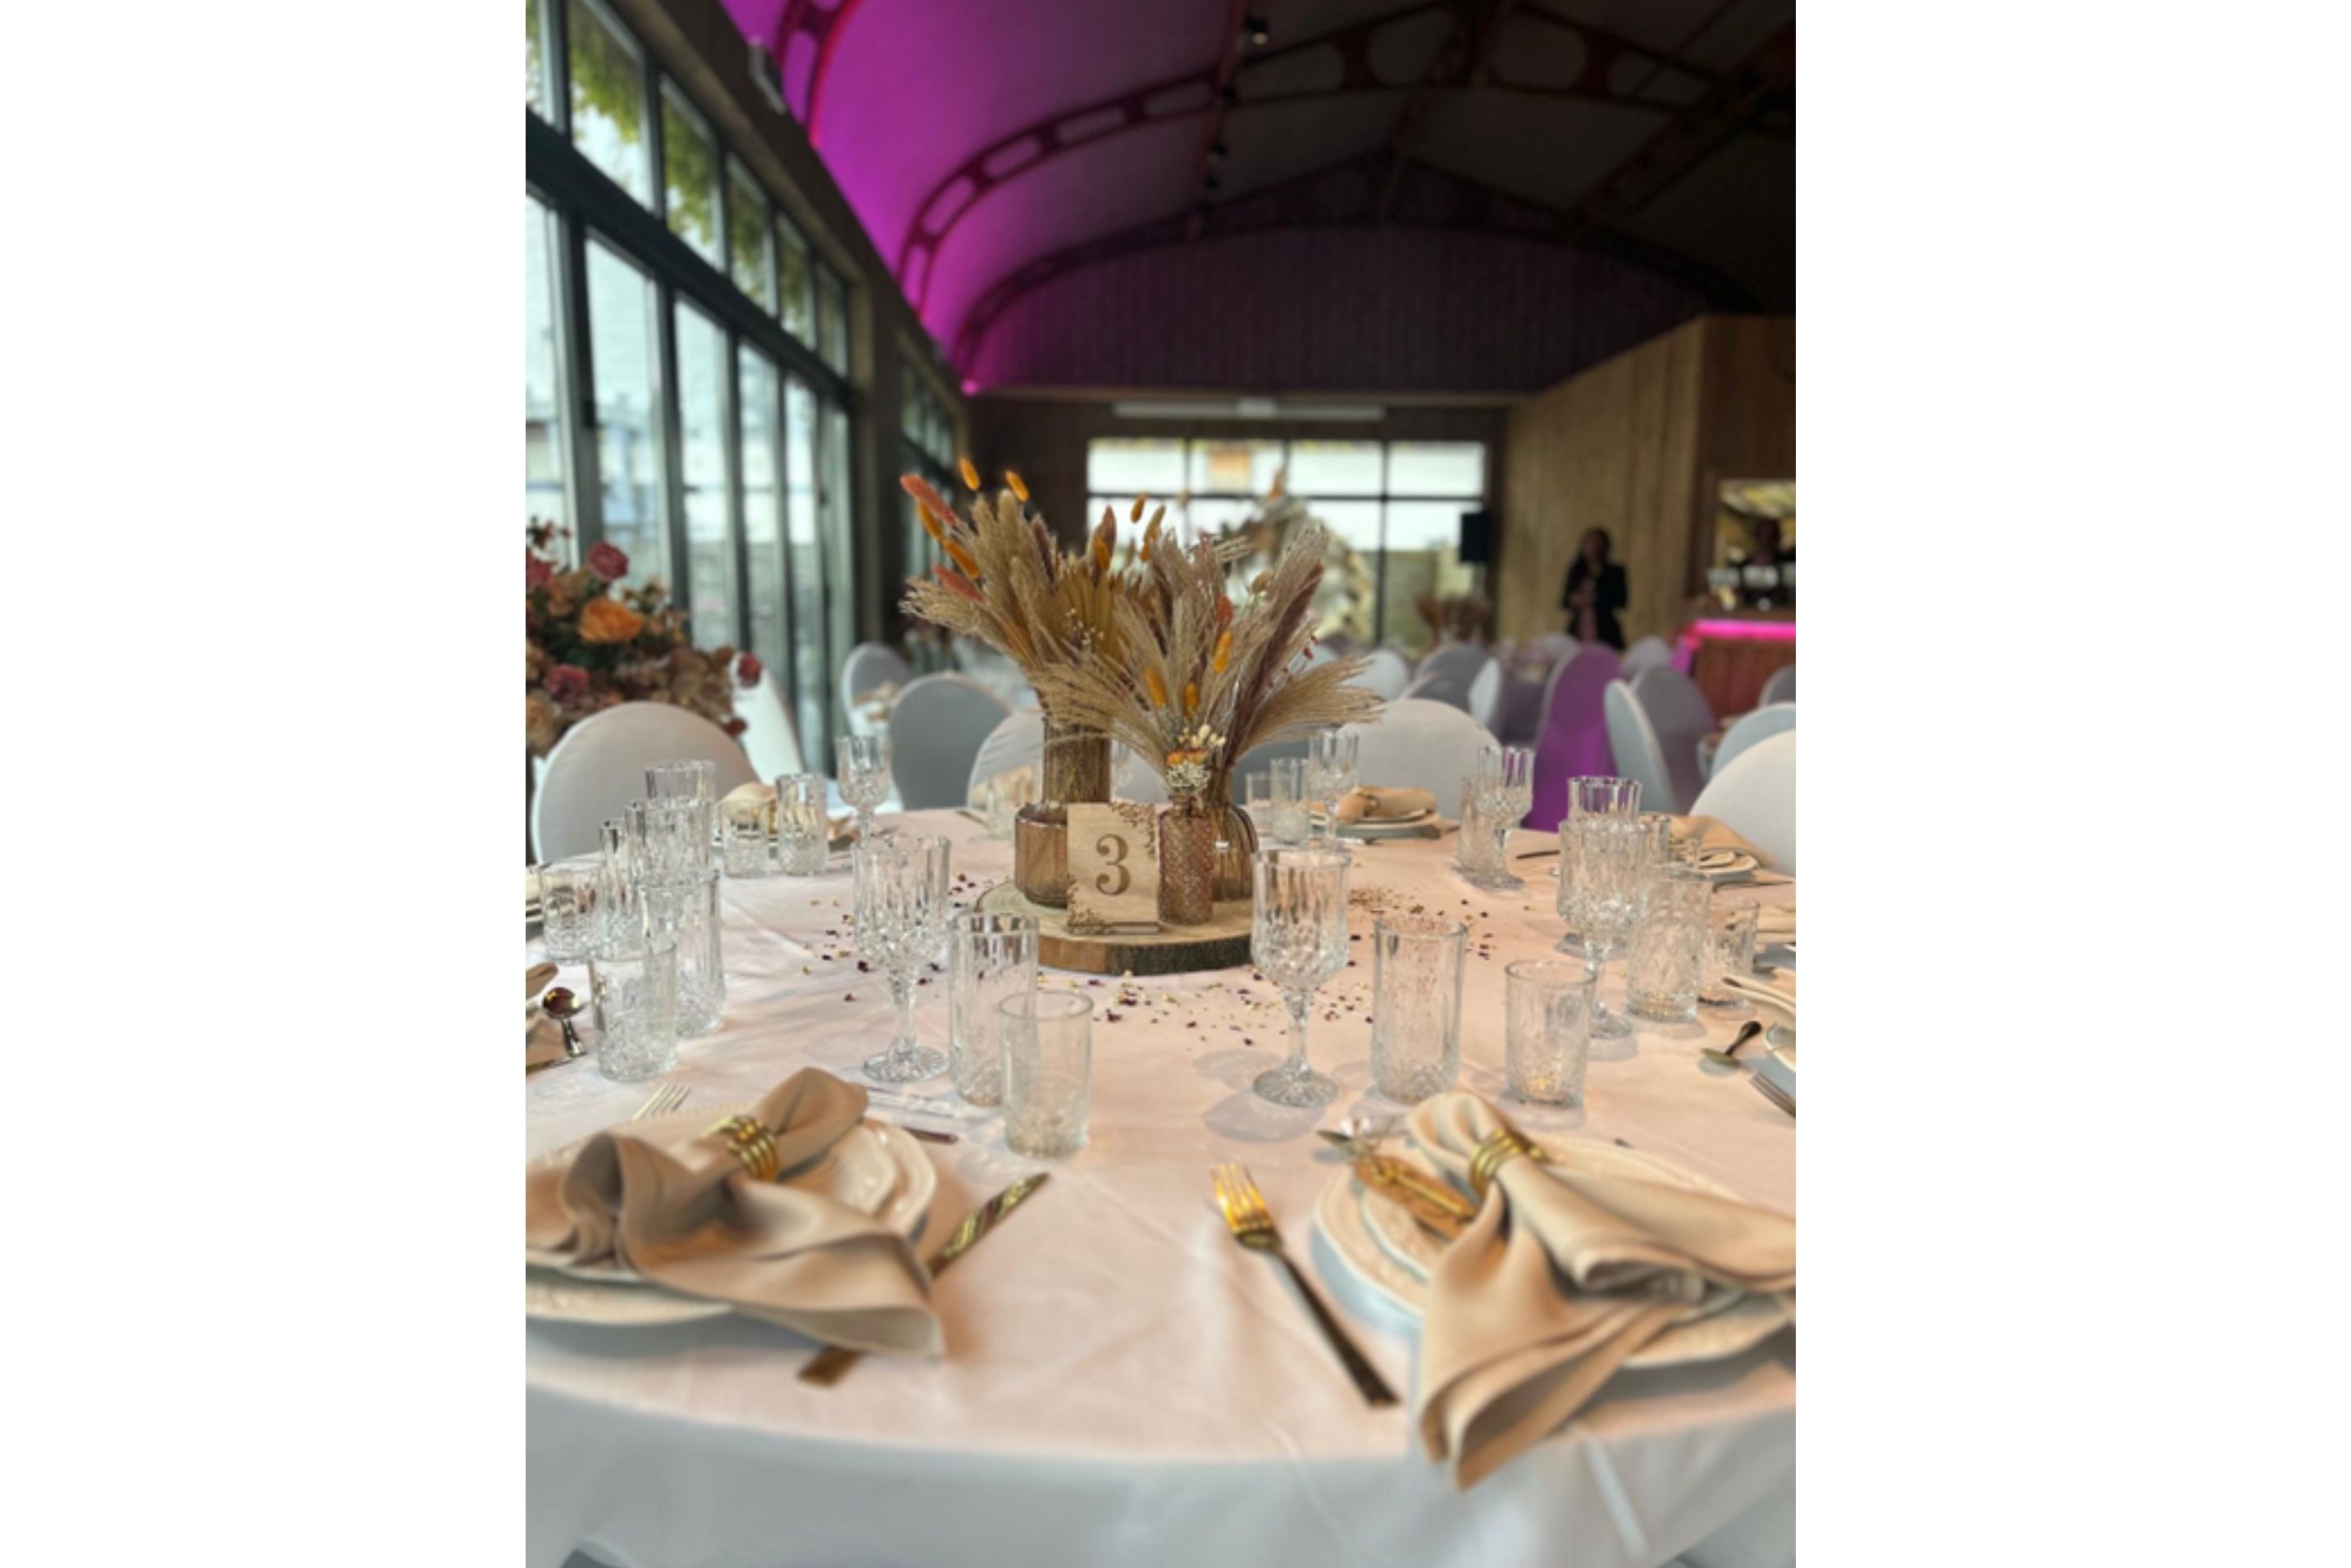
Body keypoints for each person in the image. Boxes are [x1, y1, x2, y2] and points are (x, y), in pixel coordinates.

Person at [1560, 527, 1628, 650]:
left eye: (1597, 545)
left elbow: (1621, 601)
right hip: (1579, 629)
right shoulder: (1576, 571)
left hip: (1605, 630)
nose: (1593, 548)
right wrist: (1575, 600)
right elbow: (1564, 601)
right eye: (1590, 544)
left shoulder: (1614, 572)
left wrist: (1596, 599)